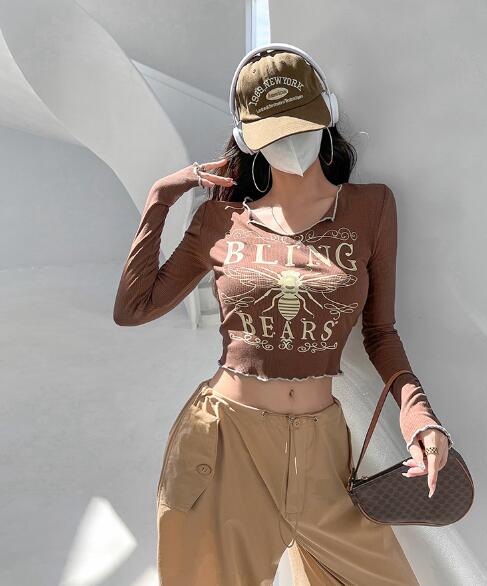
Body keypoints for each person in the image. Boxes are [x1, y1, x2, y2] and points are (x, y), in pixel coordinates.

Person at [113, 45, 453, 585]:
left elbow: (380, 332)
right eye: (273, 132)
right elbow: (133, 309)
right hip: (223, 445)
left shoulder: (371, 207)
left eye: (303, 124)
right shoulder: (219, 220)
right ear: (247, 138)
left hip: (323, 455)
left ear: (327, 117)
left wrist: (420, 419)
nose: (291, 142)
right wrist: (161, 196)